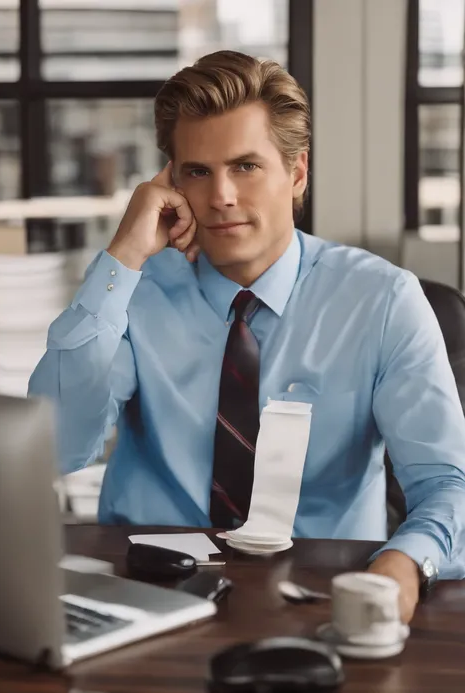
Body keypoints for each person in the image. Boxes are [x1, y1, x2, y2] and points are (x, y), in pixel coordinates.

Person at [29, 50, 465, 623]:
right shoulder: (134, 290)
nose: (221, 197)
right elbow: (55, 448)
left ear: (298, 172)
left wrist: (405, 564)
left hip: (323, 594)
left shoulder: (382, 300)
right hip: (147, 589)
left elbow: (446, 482)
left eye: (246, 166)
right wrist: (123, 254)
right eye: (197, 171)